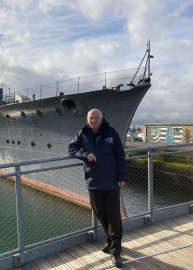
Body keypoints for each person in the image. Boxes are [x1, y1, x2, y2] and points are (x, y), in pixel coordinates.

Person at [68, 109, 128, 268]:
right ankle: (110, 242)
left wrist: (122, 176)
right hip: (93, 182)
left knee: (114, 217)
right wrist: (84, 154)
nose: (93, 121)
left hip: (111, 182)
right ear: (87, 120)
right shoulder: (82, 134)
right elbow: (71, 148)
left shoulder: (111, 133)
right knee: (101, 215)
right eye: (91, 118)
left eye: (96, 118)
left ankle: (116, 252)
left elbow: (120, 155)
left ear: (101, 120)